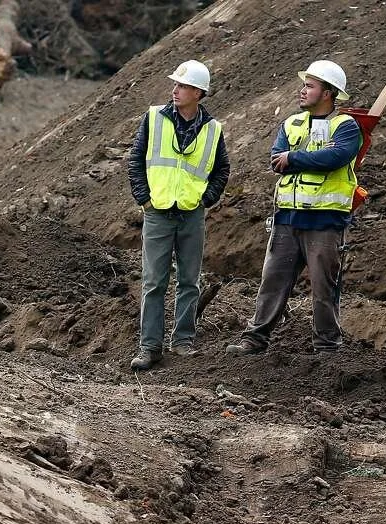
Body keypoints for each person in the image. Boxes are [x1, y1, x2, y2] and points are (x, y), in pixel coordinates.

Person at [226, 59, 362, 356]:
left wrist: (295, 158)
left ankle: (327, 347)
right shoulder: (291, 123)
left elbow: (335, 159)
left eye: (309, 86)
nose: (302, 90)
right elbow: (277, 160)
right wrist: (298, 158)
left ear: (328, 93)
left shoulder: (346, 126)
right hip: (287, 217)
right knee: (272, 281)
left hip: (325, 221)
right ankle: (255, 339)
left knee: (324, 287)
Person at [126, 59, 231, 371]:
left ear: (198, 93)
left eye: (183, 86)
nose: (175, 90)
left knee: (189, 281)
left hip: (191, 214)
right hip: (158, 212)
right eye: (175, 84)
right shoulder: (153, 118)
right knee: (154, 281)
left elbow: (222, 169)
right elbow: (136, 159)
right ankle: (150, 347)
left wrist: (206, 200)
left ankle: (183, 341)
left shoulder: (213, 130)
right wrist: (144, 199)